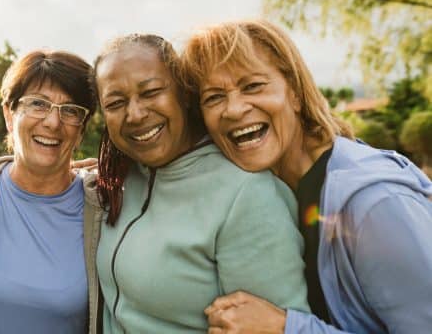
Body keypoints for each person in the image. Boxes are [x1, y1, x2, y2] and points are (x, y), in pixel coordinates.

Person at [183, 19, 432, 333]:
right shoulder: (276, 190)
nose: (233, 109)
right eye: (214, 97)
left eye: (253, 86)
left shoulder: (375, 204)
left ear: (295, 94)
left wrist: (285, 328)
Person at [92, 33, 309, 333]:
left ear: (183, 93)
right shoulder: (123, 178)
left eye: (152, 91)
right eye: (115, 103)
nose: (135, 113)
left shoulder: (246, 194)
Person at [0, 50, 104, 334]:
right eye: (37, 104)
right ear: (9, 115)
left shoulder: (104, 207)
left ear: (82, 129)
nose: (52, 122)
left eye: (71, 110)